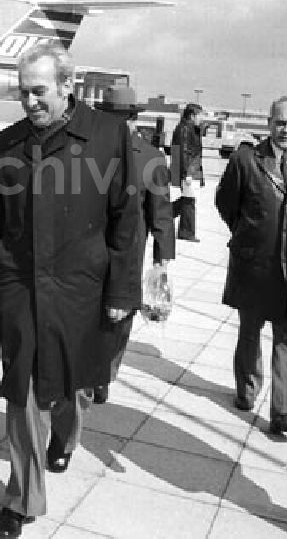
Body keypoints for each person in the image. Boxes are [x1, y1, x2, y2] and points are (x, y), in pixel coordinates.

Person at [0, 44, 141, 539]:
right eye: (23, 92)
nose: (30, 102)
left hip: (81, 289)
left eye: (39, 92)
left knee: (69, 382)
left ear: (67, 86)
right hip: (20, 287)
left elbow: (126, 222)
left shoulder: (109, 137)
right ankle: (22, 497)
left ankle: (66, 435)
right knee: (24, 387)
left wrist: (121, 292)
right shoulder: (8, 142)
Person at [216, 95, 287, 436]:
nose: (286, 129)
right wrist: (249, 233)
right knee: (249, 330)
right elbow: (226, 202)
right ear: (268, 123)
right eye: (280, 122)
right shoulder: (246, 159)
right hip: (253, 264)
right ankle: (246, 391)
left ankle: (285, 410)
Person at [91, 86, 175, 404]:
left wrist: (162, 260)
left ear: (130, 118)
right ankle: (89, 365)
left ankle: (105, 372)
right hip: (90, 244)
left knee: (121, 311)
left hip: (129, 249)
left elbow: (162, 212)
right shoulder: (87, 152)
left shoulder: (151, 158)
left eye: (119, 118)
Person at [170, 102, 204, 242]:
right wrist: (187, 173)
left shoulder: (191, 128)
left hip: (192, 169)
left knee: (188, 200)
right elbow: (183, 152)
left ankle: (161, 214)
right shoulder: (184, 129)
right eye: (200, 115)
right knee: (189, 200)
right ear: (192, 115)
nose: (201, 119)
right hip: (189, 170)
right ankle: (186, 231)